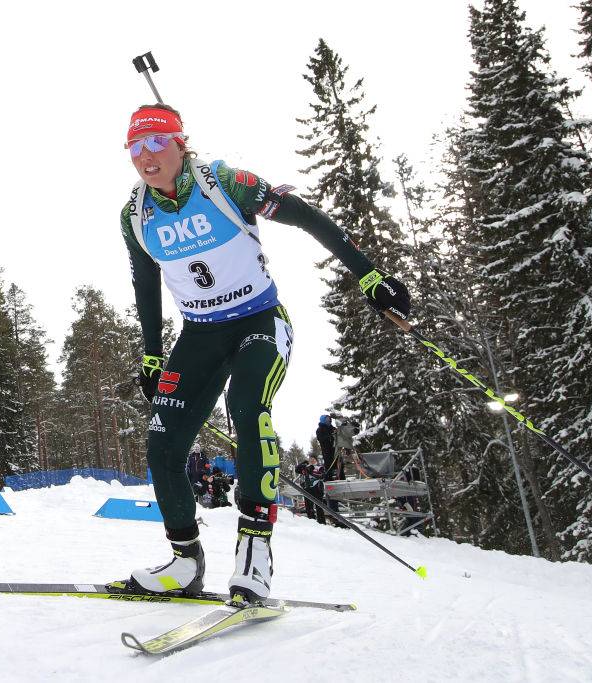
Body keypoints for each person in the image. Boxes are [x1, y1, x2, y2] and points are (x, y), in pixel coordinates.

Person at [115, 103, 410, 603]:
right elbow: (146, 285)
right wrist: (150, 354)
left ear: (180, 143)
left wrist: (368, 274)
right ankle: (185, 561)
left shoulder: (225, 183)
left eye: (156, 142)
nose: (146, 156)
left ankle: (254, 552)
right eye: (135, 147)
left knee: (247, 409)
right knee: (162, 443)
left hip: (259, 321)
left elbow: (308, 218)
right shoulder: (134, 215)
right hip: (200, 334)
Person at [296, 456, 327, 525]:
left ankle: (321, 522)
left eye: (313, 459)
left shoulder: (319, 467)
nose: (312, 461)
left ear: (316, 460)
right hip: (307, 489)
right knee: (308, 506)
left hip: (317, 488)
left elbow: (322, 476)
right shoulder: (306, 468)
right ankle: (311, 521)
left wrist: (311, 473)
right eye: (310, 459)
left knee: (319, 506)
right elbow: (297, 470)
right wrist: (303, 463)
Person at [316, 415, 340, 481]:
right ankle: (329, 479)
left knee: (339, 463)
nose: (329, 420)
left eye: (329, 419)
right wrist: (330, 436)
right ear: (323, 420)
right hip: (326, 450)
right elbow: (320, 438)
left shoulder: (333, 428)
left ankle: (340, 477)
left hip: (335, 449)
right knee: (328, 464)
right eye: (327, 419)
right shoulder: (320, 429)